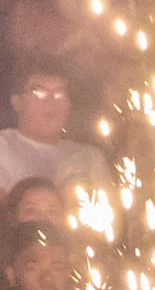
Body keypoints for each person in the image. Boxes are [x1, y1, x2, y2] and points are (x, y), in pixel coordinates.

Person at [0, 63, 106, 203]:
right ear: (17, 101)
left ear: (68, 104)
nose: (51, 101)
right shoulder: (3, 147)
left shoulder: (89, 157)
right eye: (39, 92)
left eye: (59, 93)